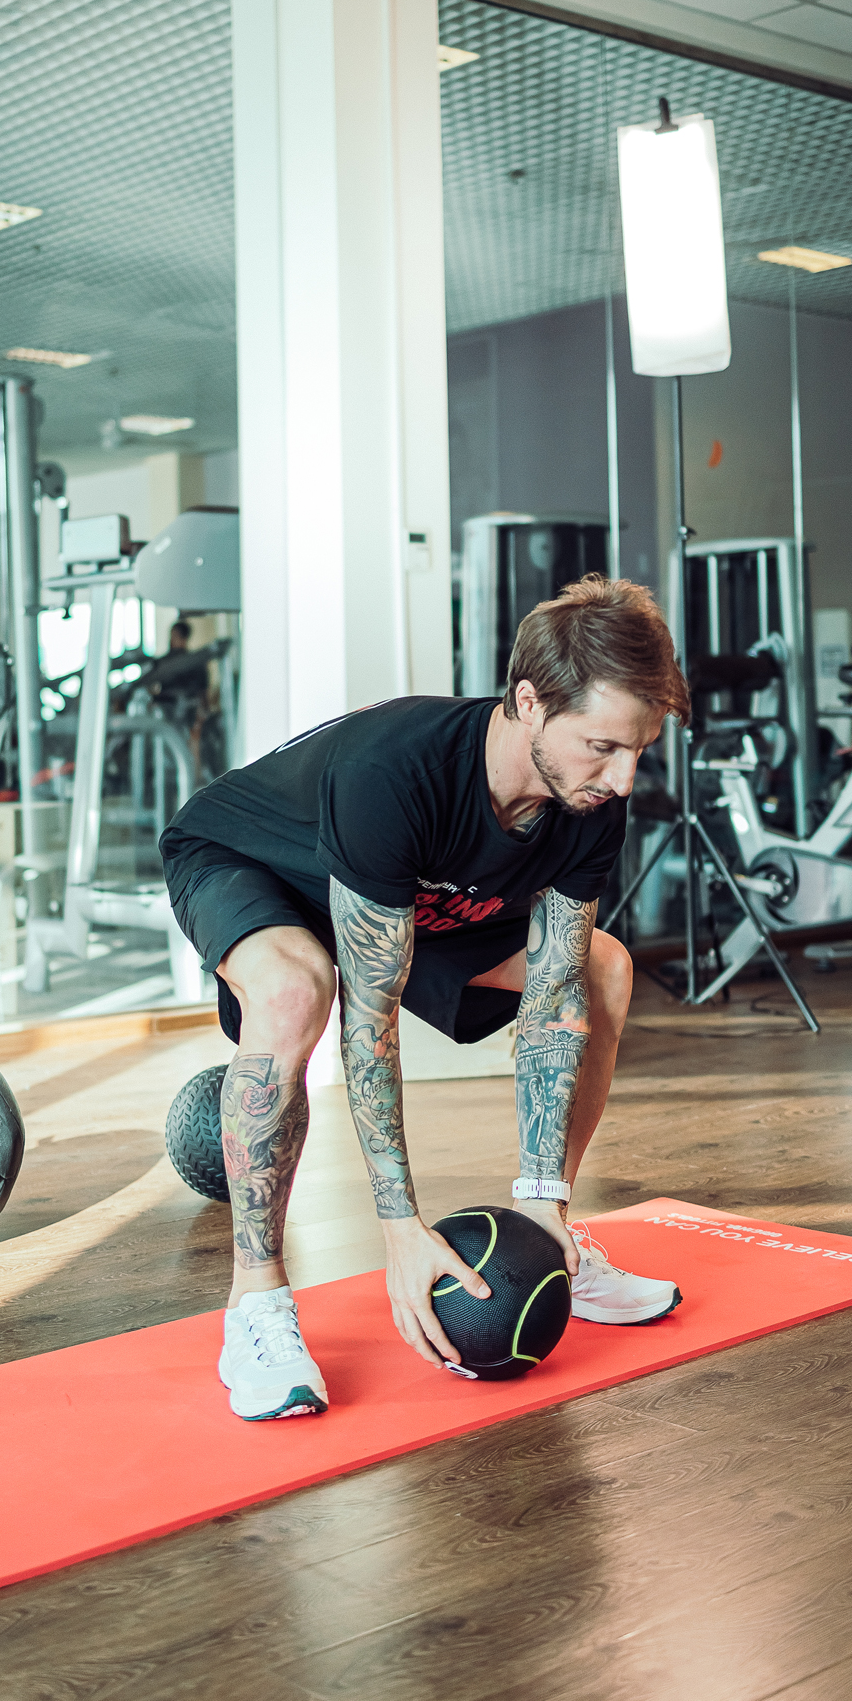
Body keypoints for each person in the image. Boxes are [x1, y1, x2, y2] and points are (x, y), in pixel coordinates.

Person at [161, 574, 691, 1422]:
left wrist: (541, 1194)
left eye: (638, 750)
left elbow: (555, 993)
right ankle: (255, 1302)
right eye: (601, 746)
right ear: (529, 702)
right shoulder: (395, 770)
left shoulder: (588, 802)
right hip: (256, 864)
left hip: (414, 895)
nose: (623, 779)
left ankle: (552, 1235)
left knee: (602, 968)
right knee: (297, 990)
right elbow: (368, 1024)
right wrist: (400, 1229)